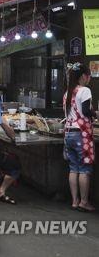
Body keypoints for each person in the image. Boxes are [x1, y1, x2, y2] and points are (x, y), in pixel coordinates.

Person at [63, 63, 98, 212]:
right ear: (84, 76)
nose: (89, 78)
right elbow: (85, 110)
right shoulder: (85, 90)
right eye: (89, 75)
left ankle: (75, 201)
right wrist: (95, 114)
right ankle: (84, 202)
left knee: (73, 168)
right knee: (84, 169)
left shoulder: (68, 92)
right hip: (81, 134)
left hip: (69, 133)